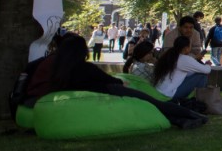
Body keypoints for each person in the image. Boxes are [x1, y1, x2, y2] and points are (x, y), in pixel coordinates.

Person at [24, 32, 206, 129]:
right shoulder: (81, 68)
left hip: (33, 99)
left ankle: (182, 118)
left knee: (150, 103)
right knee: (149, 102)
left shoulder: (47, 64)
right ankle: (190, 116)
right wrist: (120, 84)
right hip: (108, 89)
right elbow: (107, 80)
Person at [152, 35, 213, 100]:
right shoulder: (184, 59)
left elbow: (185, 73)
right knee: (202, 76)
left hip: (160, 90)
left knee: (198, 74)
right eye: (190, 46)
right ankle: (201, 100)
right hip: (169, 94)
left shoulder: (170, 55)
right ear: (186, 48)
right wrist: (207, 64)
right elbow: (207, 70)